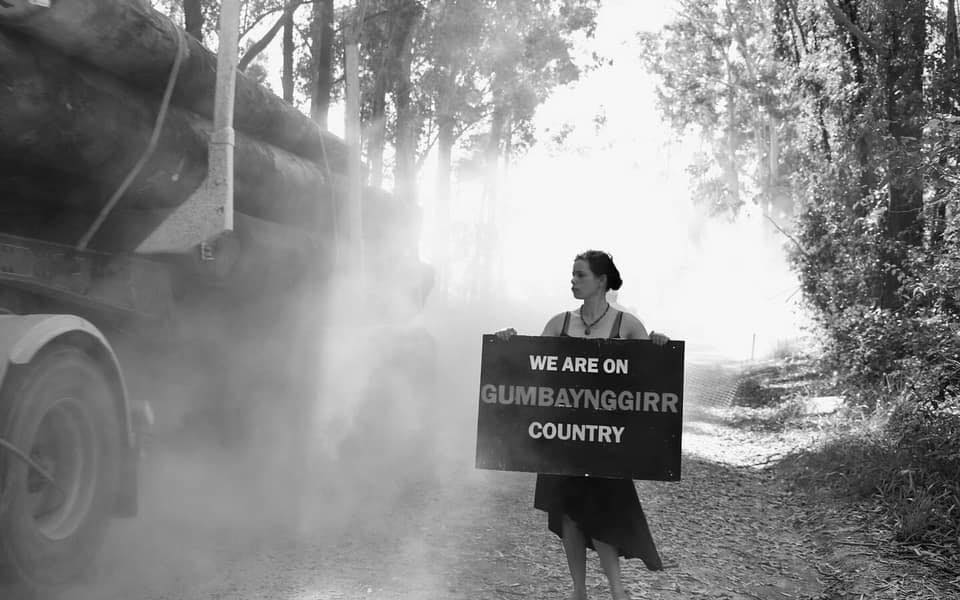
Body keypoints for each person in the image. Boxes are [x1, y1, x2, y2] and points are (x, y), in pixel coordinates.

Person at [495, 250, 669, 600]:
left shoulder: (627, 325)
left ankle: (618, 592)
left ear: (601, 281)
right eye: (572, 275)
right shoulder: (559, 323)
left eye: (580, 275)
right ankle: (579, 591)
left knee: (603, 514)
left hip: (607, 440)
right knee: (569, 515)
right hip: (561, 437)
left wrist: (657, 346)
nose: (573, 281)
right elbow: (533, 368)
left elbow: (648, 381)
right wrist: (508, 344)